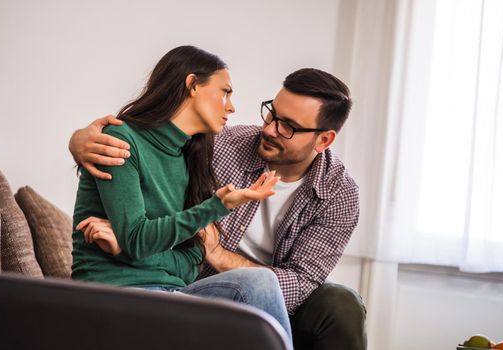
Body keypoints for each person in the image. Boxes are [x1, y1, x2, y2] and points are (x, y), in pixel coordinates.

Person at [70, 67, 367, 350]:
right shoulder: (221, 144)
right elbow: (151, 144)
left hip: (278, 307)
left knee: (341, 304)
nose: (270, 129)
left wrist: (220, 255)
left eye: (288, 126)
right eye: (272, 113)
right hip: (199, 284)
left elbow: (300, 285)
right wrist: (80, 141)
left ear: (324, 139)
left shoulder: (339, 194)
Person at [70, 45, 293, 340]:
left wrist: (127, 250)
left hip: (171, 290)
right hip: (117, 293)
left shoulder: (191, 156)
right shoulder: (120, 142)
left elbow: (190, 260)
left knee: (261, 281)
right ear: (191, 85)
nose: (232, 106)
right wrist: (217, 206)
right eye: (225, 92)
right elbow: (138, 239)